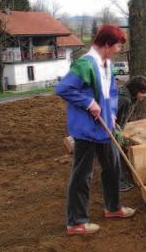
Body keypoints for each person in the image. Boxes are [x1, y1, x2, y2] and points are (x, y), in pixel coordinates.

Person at [55, 25, 135, 235]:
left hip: (105, 126)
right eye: (117, 45)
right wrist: (89, 103)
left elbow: (112, 92)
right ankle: (76, 222)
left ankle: (113, 207)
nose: (119, 49)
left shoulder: (107, 64)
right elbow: (63, 89)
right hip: (86, 129)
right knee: (83, 174)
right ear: (107, 44)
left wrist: (112, 112)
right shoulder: (85, 64)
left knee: (113, 167)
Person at [114, 75, 146, 191]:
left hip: (117, 128)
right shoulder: (123, 99)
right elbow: (109, 113)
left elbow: (123, 116)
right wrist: (115, 129)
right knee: (115, 154)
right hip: (108, 128)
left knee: (121, 150)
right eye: (142, 92)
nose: (145, 95)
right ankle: (117, 183)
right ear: (135, 90)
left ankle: (124, 178)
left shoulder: (132, 99)